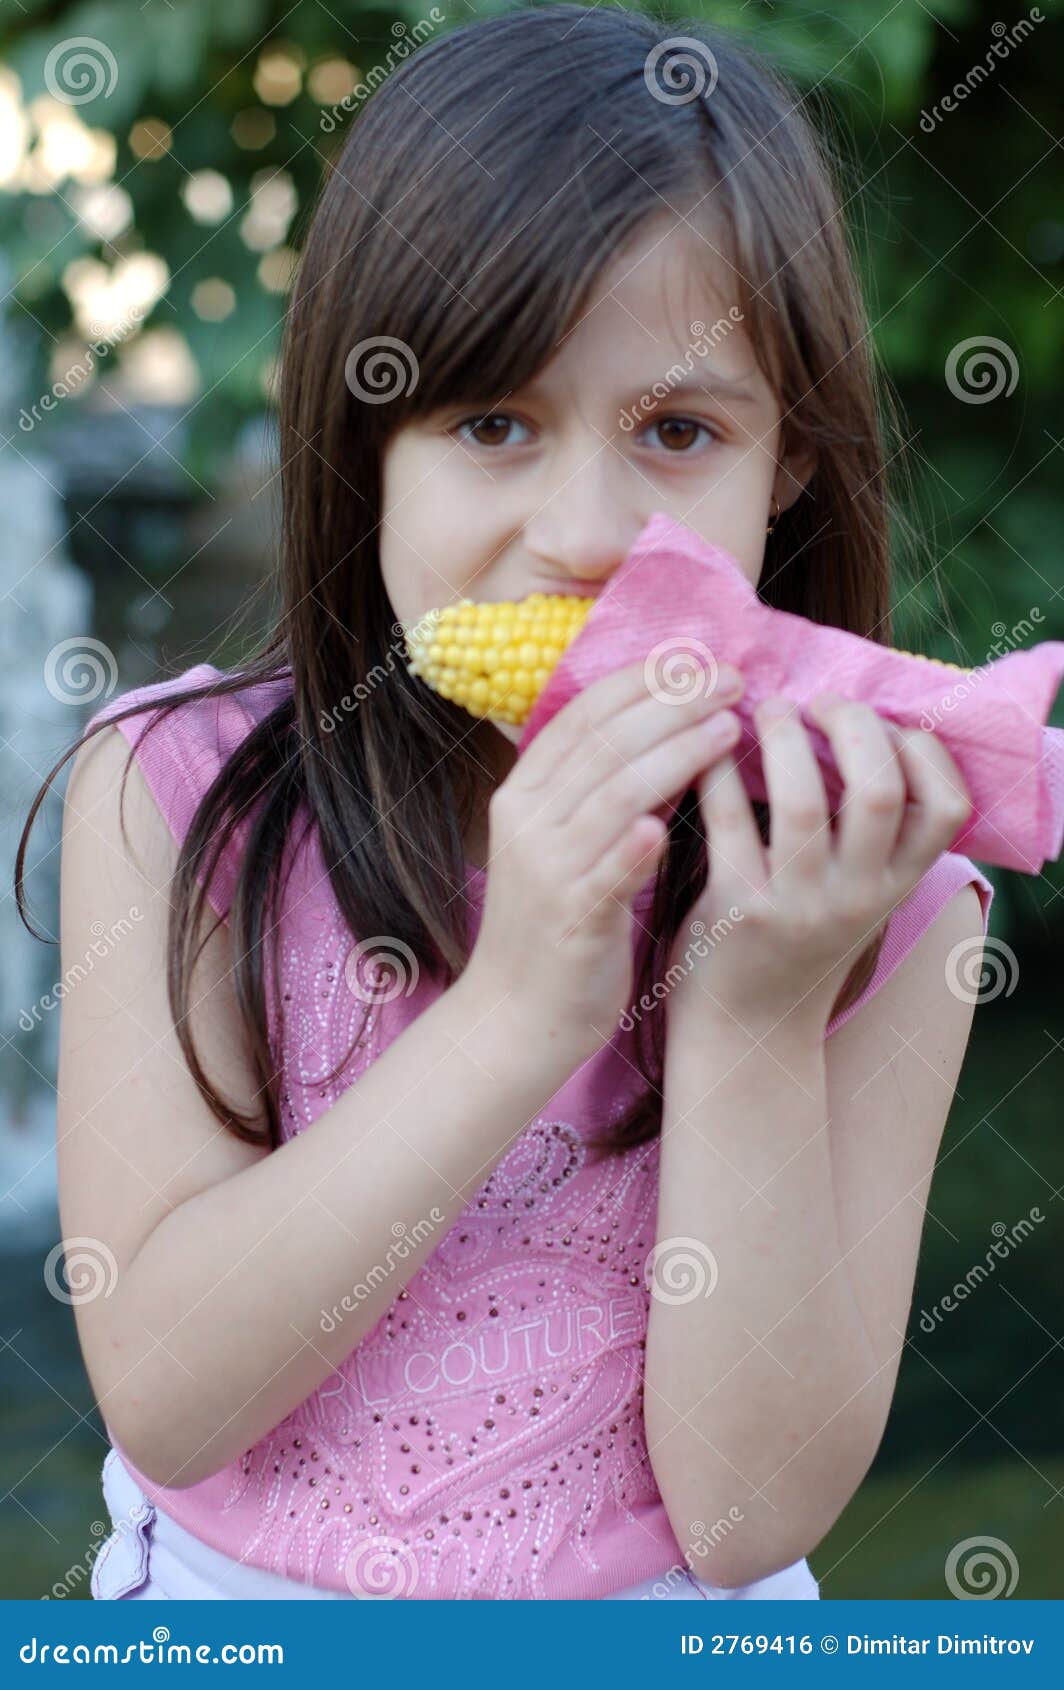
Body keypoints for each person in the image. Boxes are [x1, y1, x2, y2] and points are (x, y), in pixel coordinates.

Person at [18, 4, 993, 1600]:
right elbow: (170, 1397)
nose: (588, 530)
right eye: (491, 424)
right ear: (364, 440)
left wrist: (750, 1013)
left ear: (793, 462)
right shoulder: (179, 799)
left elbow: (754, 1518)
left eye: (678, 431)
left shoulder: (887, 885)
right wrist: (520, 1008)